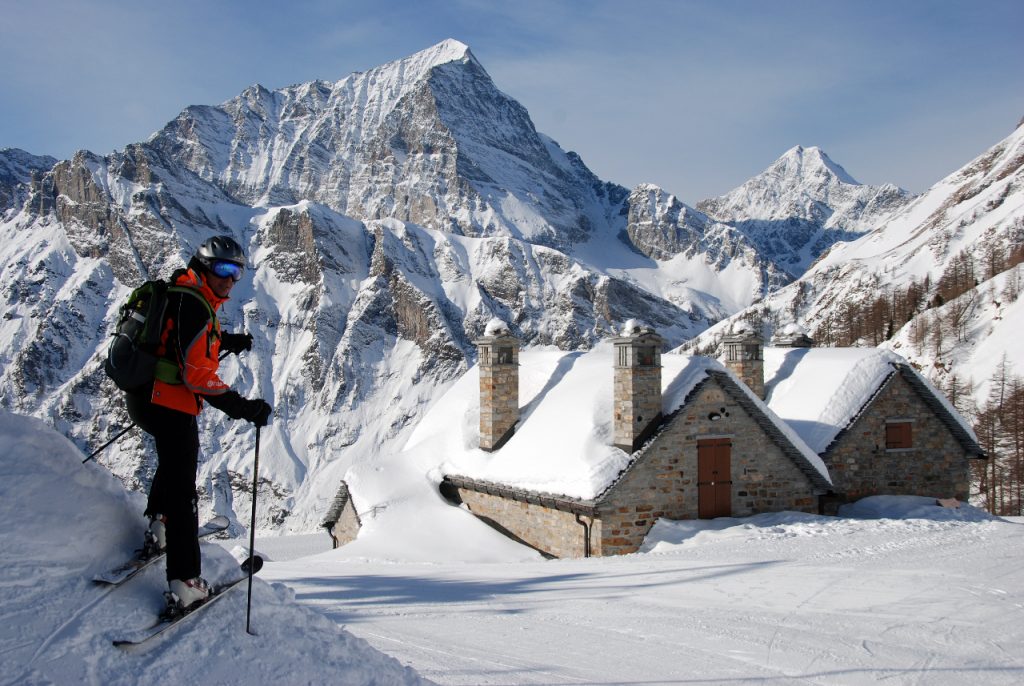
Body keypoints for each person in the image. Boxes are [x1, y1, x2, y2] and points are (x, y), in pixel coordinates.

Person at [125, 235, 272, 610]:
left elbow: (185, 336)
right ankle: (186, 581)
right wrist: (244, 407)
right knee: (183, 494)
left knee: (171, 469)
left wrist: (225, 338)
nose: (230, 278)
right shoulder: (197, 305)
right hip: (170, 404)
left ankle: (158, 527)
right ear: (204, 265)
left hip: (144, 398)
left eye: (236, 271)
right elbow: (197, 378)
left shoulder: (183, 292)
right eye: (222, 269)